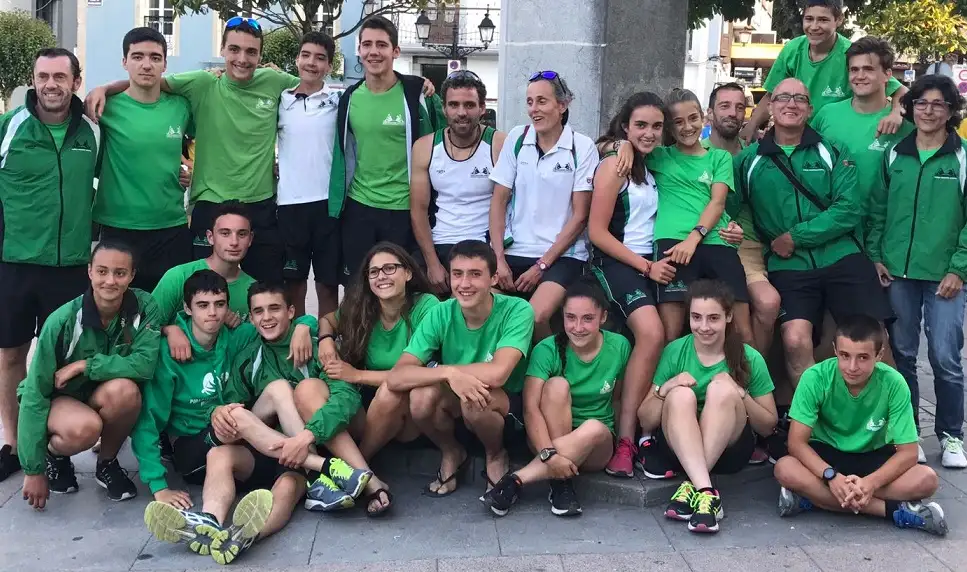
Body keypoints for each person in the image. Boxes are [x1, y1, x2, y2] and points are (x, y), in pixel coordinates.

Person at [87, 16, 300, 282]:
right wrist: (104, 88)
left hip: (260, 206)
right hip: (208, 205)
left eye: (251, 52)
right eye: (234, 49)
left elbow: (315, 98)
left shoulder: (274, 81)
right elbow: (149, 82)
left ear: (260, 55)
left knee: (266, 292)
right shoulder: (201, 84)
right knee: (201, 296)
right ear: (222, 50)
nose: (242, 58)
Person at [734, 78, 892, 390]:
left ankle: (891, 426)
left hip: (842, 255)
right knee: (794, 340)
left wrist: (796, 237)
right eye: (781, 98)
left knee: (875, 339)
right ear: (771, 107)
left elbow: (849, 208)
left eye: (799, 99)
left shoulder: (833, 151)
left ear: (810, 109)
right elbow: (725, 204)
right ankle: (814, 425)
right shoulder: (749, 161)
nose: (790, 104)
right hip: (788, 266)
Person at [130, 269, 318, 508]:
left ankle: (310, 465)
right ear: (187, 309)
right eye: (202, 305)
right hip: (192, 445)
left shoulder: (235, 338)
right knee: (236, 413)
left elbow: (278, 322)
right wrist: (159, 487)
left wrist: (305, 326)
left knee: (278, 388)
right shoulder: (170, 354)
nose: (212, 313)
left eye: (219, 304)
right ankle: (319, 468)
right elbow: (147, 422)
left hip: (235, 431)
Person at [0, 48, 101, 483]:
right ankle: (12, 443)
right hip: (15, 262)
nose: (51, 84)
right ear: (33, 79)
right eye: (43, 76)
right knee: (11, 356)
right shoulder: (10, 128)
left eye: (60, 76)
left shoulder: (94, 132)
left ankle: (54, 451)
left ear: (76, 82)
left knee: (62, 359)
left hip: (72, 266)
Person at [868, 74, 967, 469]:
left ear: (950, 112)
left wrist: (959, 268)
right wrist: (876, 255)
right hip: (898, 274)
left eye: (937, 104)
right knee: (903, 355)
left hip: (946, 277)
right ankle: (908, 435)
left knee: (945, 357)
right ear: (910, 109)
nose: (928, 111)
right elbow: (877, 210)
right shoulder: (895, 153)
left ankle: (951, 435)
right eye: (921, 103)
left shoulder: (961, 158)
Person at [773, 315, 947, 537]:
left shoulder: (894, 382)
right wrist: (830, 477)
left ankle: (815, 499)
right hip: (826, 457)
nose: (852, 367)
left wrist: (870, 484)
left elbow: (909, 453)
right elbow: (796, 443)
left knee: (927, 480)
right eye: (845, 356)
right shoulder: (815, 377)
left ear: (879, 355)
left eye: (863, 357)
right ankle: (891, 511)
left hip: (873, 455)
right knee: (784, 468)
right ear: (835, 349)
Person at [18, 241, 162, 508]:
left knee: (127, 392)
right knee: (85, 429)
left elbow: (144, 365)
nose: (110, 281)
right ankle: (54, 456)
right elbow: (35, 392)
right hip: (59, 398)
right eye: (102, 271)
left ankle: (106, 464)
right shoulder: (62, 321)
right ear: (89, 272)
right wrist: (32, 469)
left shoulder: (145, 306)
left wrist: (85, 365)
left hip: (100, 392)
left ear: (132, 275)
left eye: (120, 273)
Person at [389, 240, 535, 496]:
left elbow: (498, 373)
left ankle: (495, 454)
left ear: (493, 278)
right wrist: (448, 373)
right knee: (420, 396)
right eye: (457, 274)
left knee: (474, 398)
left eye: (475, 274)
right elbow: (398, 376)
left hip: (506, 406)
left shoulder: (518, 309)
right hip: (455, 400)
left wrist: (453, 373)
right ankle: (451, 451)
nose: (464, 284)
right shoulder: (441, 312)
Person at [635, 280, 777, 533]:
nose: (704, 326)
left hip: (729, 451)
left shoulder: (749, 356)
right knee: (680, 395)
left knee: (721, 389)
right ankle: (706, 492)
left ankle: (695, 484)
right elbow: (646, 420)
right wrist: (665, 388)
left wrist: (740, 393)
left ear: (729, 316)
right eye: (696, 317)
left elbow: (768, 426)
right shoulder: (675, 351)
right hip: (679, 448)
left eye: (713, 318)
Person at [480, 281, 630, 517]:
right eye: (571, 317)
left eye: (588, 318)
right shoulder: (546, 349)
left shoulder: (619, 345)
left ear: (603, 317)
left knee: (593, 428)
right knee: (557, 385)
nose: (578, 327)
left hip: (597, 445)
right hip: (545, 442)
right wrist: (549, 454)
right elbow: (531, 409)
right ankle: (560, 484)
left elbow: (618, 400)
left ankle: (515, 479)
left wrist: (624, 446)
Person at [318, 242, 440, 515]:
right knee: (310, 389)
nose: (381, 276)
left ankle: (356, 470)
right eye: (374, 272)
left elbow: (409, 375)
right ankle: (367, 478)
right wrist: (325, 339)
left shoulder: (426, 306)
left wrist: (356, 374)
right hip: (371, 409)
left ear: (408, 273)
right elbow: (327, 320)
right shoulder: (364, 306)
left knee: (390, 390)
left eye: (389, 268)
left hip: (411, 411)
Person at [585, 91, 669, 477]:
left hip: (649, 264)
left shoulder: (649, 167)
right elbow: (597, 232)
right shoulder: (614, 166)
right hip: (616, 262)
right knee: (652, 334)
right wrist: (645, 267)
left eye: (656, 126)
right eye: (640, 126)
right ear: (625, 126)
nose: (649, 133)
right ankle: (625, 439)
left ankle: (650, 433)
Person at [328, 15, 445, 281]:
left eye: (381, 44)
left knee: (402, 289)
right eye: (366, 44)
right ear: (359, 51)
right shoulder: (350, 98)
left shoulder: (417, 94)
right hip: (359, 208)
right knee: (358, 288)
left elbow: (442, 145)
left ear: (395, 51)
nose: (373, 51)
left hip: (404, 210)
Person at [489, 71, 597, 339]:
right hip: (515, 251)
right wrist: (498, 258)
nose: (533, 109)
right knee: (481, 308)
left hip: (562, 256)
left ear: (562, 105)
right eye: (529, 102)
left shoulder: (581, 147)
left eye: (541, 101)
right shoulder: (516, 138)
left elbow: (580, 216)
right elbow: (498, 202)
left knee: (535, 317)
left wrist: (541, 266)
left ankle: (546, 373)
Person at [646, 88, 751, 344]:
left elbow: (717, 202)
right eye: (678, 122)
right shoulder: (658, 156)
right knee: (671, 333)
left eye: (693, 118)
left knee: (740, 331)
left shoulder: (719, 157)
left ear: (704, 116)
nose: (687, 127)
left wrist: (694, 238)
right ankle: (663, 385)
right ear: (668, 128)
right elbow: (611, 146)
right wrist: (622, 146)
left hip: (715, 241)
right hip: (672, 244)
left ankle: (751, 383)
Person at [94, 27, 193, 292]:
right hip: (119, 227)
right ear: (124, 62)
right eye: (137, 57)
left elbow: (204, 146)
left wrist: (193, 171)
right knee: (118, 312)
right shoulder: (104, 108)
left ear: (164, 64)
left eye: (155, 57)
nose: (146, 65)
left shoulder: (182, 106)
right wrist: (102, 88)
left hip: (170, 227)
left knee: (168, 313)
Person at [739, 0, 907, 143]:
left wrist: (895, 113)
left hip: (835, 137)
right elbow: (771, 95)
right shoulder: (792, 50)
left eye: (823, 20)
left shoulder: (852, 54)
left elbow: (901, 90)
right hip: (797, 137)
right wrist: (751, 126)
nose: (814, 26)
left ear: (839, 19)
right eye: (809, 19)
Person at [411, 70, 505, 295]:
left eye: (469, 105)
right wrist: (432, 263)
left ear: (482, 108)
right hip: (441, 242)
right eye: (453, 105)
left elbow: (509, 204)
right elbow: (418, 210)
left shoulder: (499, 143)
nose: (461, 112)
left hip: (482, 244)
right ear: (444, 108)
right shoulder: (425, 147)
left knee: (470, 301)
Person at [812, 37, 915, 241]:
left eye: (868, 69)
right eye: (853, 69)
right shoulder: (826, 115)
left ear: (887, 75)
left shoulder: (906, 126)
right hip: (831, 233)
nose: (859, 76)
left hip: (884, 235)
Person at [705, 83, 782, 356]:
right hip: (704, 244)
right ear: (710, 113)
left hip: (748, 248)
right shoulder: (694, 152)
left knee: (769, 303)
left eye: (740, 107)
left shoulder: (758, 153)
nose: (733, 113)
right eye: (724, 106)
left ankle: (753, 376)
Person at [277, 31, 342, 318]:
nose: (311, 63)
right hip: (289, 204)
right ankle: (296, 343)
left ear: (329, 65)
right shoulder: (280, 100)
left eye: (320, 58)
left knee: (328, 284)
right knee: (293, 284)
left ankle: (326, 344)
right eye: (306, 56)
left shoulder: (340, 101)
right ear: (296, 59)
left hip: (329, 205)